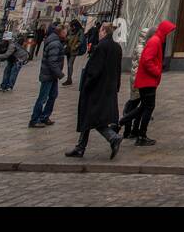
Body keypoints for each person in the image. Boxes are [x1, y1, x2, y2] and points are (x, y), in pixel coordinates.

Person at [65, 22, 123, 159]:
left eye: (100, 30)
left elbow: (94, 70)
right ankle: (80, 147)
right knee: (90, 116)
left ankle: (113, 137)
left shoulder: (101, 47)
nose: (98, 32)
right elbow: (118, 69)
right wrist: (117, 86)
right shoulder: (117, 47)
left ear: (104, 31)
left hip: (97, 88)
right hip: (109, 88)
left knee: (93, 117)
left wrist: (87, 83)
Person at [130, 19, 175, 146]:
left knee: (143, 108)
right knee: (147, 108)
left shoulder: (155, 41)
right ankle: (141, 135)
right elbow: (147, 60)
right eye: (167, 33)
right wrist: (157, 72)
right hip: (147, 81)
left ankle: (123, 124)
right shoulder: (155, 41)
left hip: (147, 81)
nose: (168, 36)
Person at [28, 23, 66, 128]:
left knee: (53, 96)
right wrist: (60, 74)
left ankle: (44, 117)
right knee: (43, 98)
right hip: (49, 74)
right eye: (65, 31)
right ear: (61, 32)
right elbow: (52, 61)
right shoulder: (55, 43)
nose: (66, 33)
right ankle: (35, 119)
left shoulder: (56, 41)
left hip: (52, 75)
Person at [63, 19, 84, 85]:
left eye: (73, 26)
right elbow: (66, 37)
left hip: (74, 50)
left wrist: (75, 47)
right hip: (68, 49)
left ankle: (69, 79)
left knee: (70, 65)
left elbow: (81, 41)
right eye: (71, 26)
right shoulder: (70, 30)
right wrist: (66, 39)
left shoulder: (80, 31)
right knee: (68, 65)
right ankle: (69, 79)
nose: (72, 27)